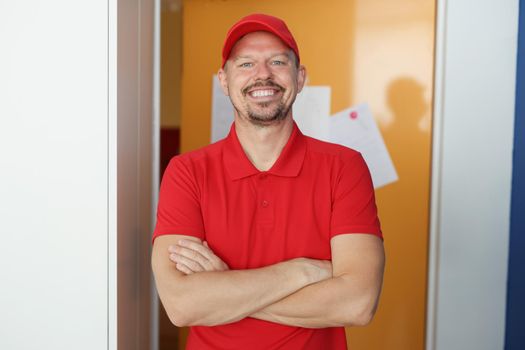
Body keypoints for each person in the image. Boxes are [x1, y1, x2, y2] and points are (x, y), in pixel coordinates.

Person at [151, 13, 385, 350]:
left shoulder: (344, 167)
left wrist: (223, 288)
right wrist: (302, 272)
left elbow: (357, 303)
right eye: (246, 64)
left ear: (299, 77)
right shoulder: (187, 171)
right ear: (223, 79)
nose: (263, 74)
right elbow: (182, 305)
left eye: (277, 61)